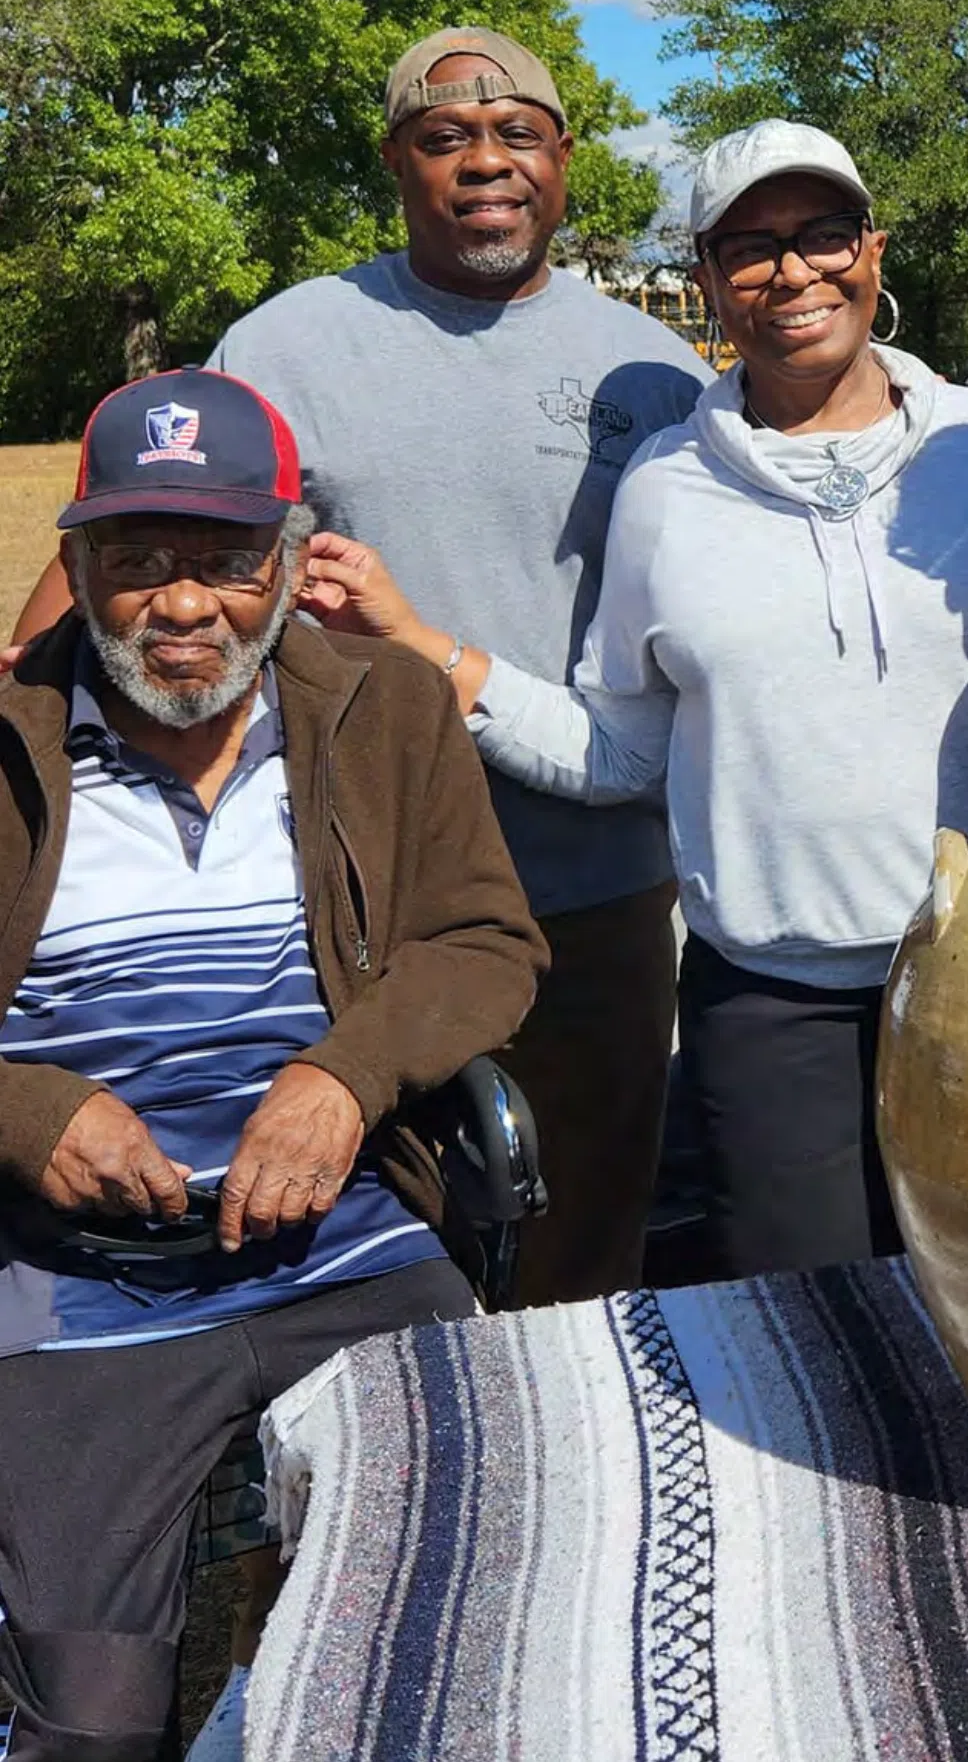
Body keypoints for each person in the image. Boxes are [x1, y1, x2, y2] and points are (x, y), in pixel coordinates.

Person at [15, 27, 707, 1305]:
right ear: (398, 161)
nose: (485, 164)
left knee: (587, 1239)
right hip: (356, 893)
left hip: (597, 878)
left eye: (518, 136)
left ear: (565, 159)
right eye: (445, 139)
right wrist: (22, 665)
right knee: (380, 1233)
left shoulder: (654, 367)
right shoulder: (291, 345)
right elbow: (148, 523)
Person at [302, 120, 968, 1282]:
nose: (794, 271)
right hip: (773, 1011)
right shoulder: (662, 489)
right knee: (813, 1341)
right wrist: (421, 646)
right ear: (706, 280)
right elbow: (622, 751)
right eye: (750, 246)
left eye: (824, 233)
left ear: (874, 247)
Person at [0, 370, 544, 1761]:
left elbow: (486, 939)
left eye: (227, 560)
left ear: (293, 565)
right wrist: (28, 1106)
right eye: (137, 562)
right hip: (77, 1282)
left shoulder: (386, 713)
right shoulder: (8, 749)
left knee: (477, 1612)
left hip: (346, 1243)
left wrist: (344, 1078)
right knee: (96, 1722)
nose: (184, 605)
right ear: (75, 568)